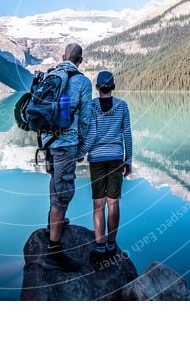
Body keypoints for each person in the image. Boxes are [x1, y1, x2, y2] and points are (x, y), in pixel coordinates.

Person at [40, 43, 93, 272]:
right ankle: (54, 250)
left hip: (46, 141)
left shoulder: (49, 75)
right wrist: (81, 145)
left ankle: (53, 225)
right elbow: (85, 119)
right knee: (64, 191)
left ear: (63, 57)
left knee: (55, 182)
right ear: (80, 60)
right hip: (65, 142)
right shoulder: (82, 81)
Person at [77, 70, 132, 270]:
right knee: (113, 202)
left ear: (97, 87)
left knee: (98, 204)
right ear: (113, 86)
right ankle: (111, 245)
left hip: (98, 160)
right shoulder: (122, 106)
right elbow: (127, 134)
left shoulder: (92, 106)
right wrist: (129, 159)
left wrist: (81, 152)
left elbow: (90, 135)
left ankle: (100, 249)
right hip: (117, 158)